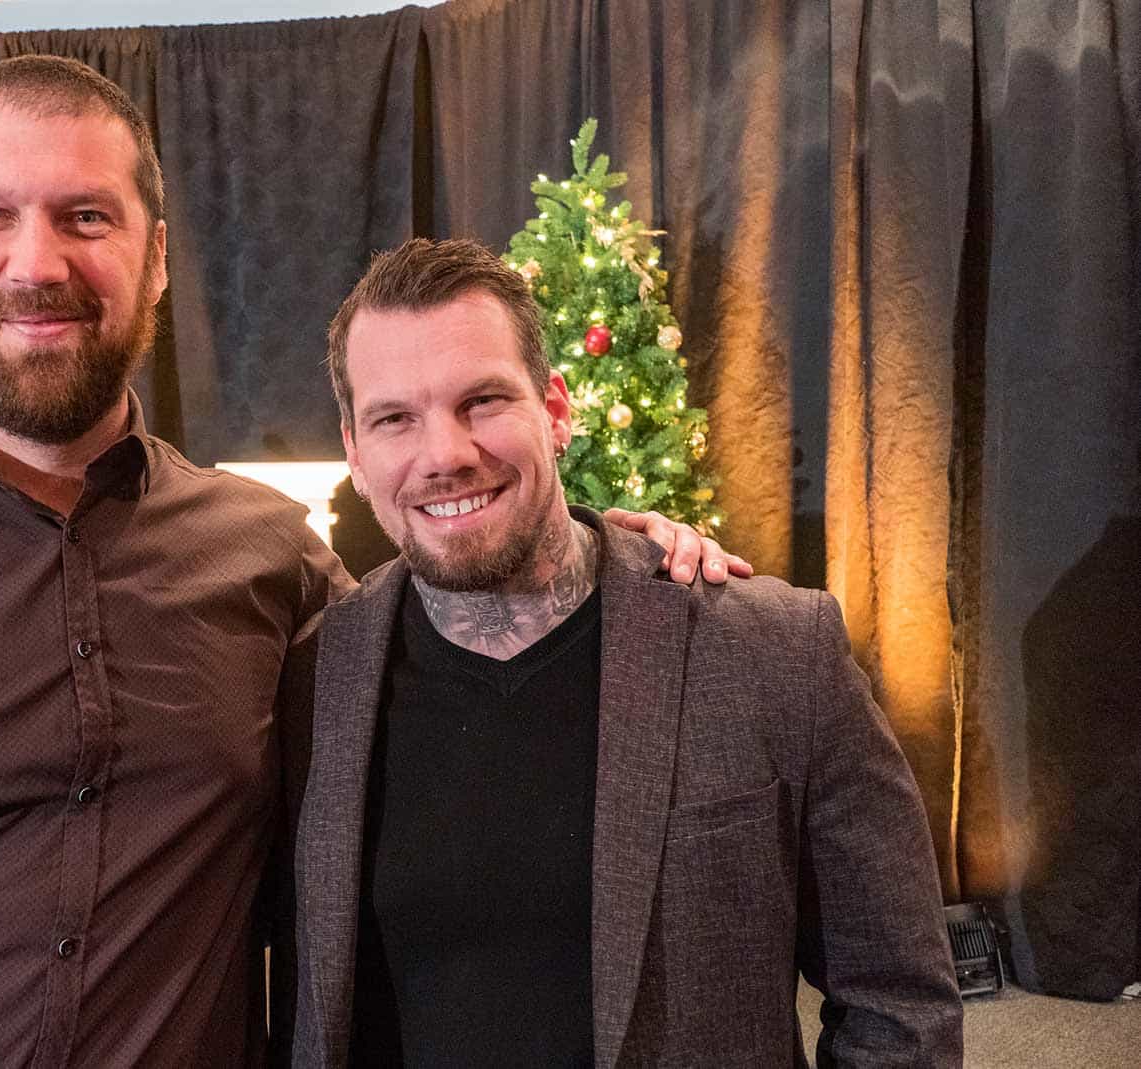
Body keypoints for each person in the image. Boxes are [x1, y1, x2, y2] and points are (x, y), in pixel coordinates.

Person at [0, 58, 740, 1067]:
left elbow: (459, 645)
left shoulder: (273, 563)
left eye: (85, 216)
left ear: (156, 256)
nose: (39, 261)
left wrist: (598, 546)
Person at [288, 239, 963, 1067]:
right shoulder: (317, 674)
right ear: (355, 451)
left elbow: (901, 1008)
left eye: (484, 400)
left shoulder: (774, 651)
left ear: (557, 408)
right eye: (396, 418)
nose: (446, 453)